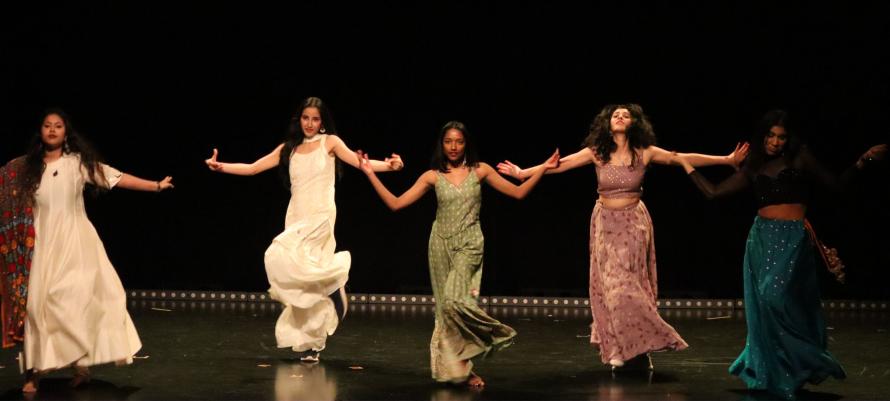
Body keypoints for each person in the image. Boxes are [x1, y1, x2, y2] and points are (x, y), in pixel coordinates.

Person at [497, 104, 748, 369]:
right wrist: (523, 173)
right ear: (607, 123)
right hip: (605, 224)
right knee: (610, 288)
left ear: (634, 124)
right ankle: (617, 346)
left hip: (634, 224)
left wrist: (726, 160)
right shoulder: (596, 152)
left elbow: (681, 158)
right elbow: (559, 165)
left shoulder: (645, 152)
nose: (619, 116)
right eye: (615, 114)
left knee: (630, 287)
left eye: (626, 115)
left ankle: (640, 347)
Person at [675, 109, 886, 399]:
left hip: (793, 239)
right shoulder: (753, 167)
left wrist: (862, 161)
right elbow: (713, 193)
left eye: (781, 137)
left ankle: (804, 360)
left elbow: (836, 185)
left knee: (778, 299)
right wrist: (686, 165)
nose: (776, 142)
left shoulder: (800, 157)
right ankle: (779, 371)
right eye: (771, 136)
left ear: (789, 139)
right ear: (762, 137)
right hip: (761, 239)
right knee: (765, 304)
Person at [357, 120, 559, 387]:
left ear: (467, 144)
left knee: (455, 301)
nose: (453, 146)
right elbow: (396, 203)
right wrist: (370, 172)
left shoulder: (480, 171)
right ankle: (462, 369)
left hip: (470, 244)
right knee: (445, 310)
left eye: (459, 141)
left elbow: (519, 193)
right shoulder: (433, 176)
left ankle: (490, 337)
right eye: (448, 141)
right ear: (442, 144)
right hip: (439, 244)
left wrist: (543, 168)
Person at [205, 97, 403, 362]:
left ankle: (333, 288)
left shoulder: (330, 142)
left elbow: (361, 163)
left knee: (309, 268)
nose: (310, 123)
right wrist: (221, 167)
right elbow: (253, 168)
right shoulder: (290, 148)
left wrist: (390, 165)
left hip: (321, 214)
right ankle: (313, 343)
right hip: (296, 215)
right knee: (300, 276)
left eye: (315, 119)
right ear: (299, 120)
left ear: (322, 122)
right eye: (306, 118)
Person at [0, 109, 174, 393]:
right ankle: (33, 373)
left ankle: (80, 365)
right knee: (36, 307)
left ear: (66, 133)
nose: (53, 130)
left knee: (72, 299)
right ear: (40, 132)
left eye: (58, 126)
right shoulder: (24, 169)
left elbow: (115, 178)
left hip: (75, 242)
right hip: (41, 244)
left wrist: (155, 186)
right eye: (47, 126)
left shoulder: (77, 164)